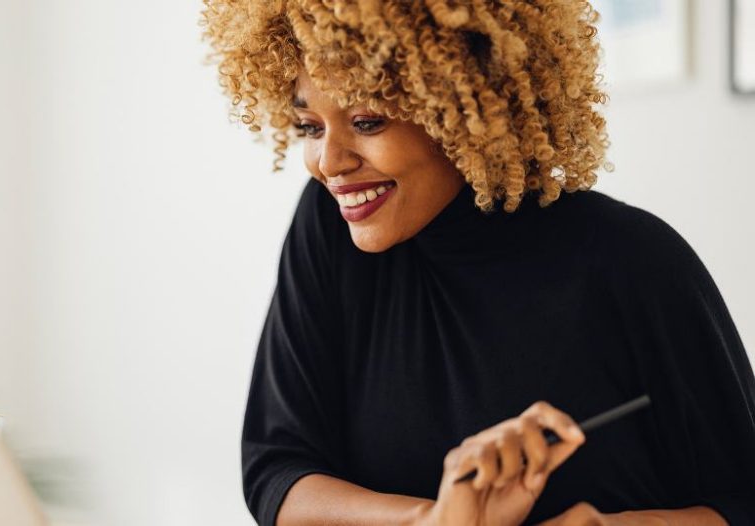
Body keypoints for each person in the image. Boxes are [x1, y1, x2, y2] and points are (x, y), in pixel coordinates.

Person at [201, 1, 755, 525]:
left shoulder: (635, 263)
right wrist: (435, 519)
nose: (329, 163)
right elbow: (278, 469)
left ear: (467, 104)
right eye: (310, 127)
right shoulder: (328, 230)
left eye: (368, 121)